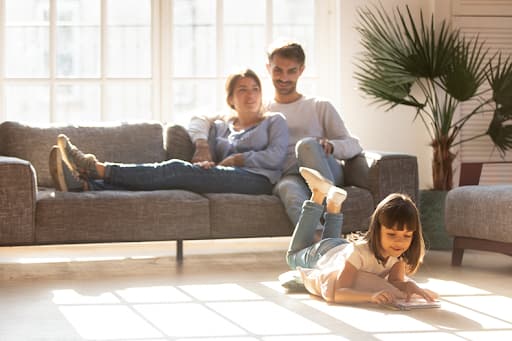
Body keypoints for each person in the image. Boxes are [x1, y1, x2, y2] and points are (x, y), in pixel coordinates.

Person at [188, 41, 363, 227]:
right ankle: (319, 241)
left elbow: (354, 145)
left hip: (322, 170)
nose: (284, 78)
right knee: (288, 190)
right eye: (278, 70)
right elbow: (201, 118)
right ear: (268, 68)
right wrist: (202, 144)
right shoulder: (260, 109)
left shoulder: (319, 106)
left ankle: (332, 209)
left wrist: (331, 145)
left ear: (301, 70)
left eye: (292, 71)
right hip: (290, 175)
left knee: (305, 145)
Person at [50, 68, 289, 195]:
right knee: (171, 179)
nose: (251, 95)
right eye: (243, 90)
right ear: (230, 98)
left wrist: (239, 159)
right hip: (226, 176)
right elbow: (198, 122)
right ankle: (86, 186)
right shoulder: (220, 126)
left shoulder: (274, 121)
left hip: (259, 180)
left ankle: (96, 169)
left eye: (255, 89)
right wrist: (206, 155)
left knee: (176, 169)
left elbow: (276, 156)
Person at [284, 166, 438, 305]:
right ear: (377, 230)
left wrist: (408, 285)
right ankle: (318, 194)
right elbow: (338, 292)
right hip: (324, 253)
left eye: (407, 236)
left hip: (339, 249)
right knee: (292, 258)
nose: (399, 241)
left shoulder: (398, 253)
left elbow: (395, 281)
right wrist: (370, 296)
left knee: (331, 246)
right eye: (391, 234)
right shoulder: (359, 253)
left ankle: (334, 203)